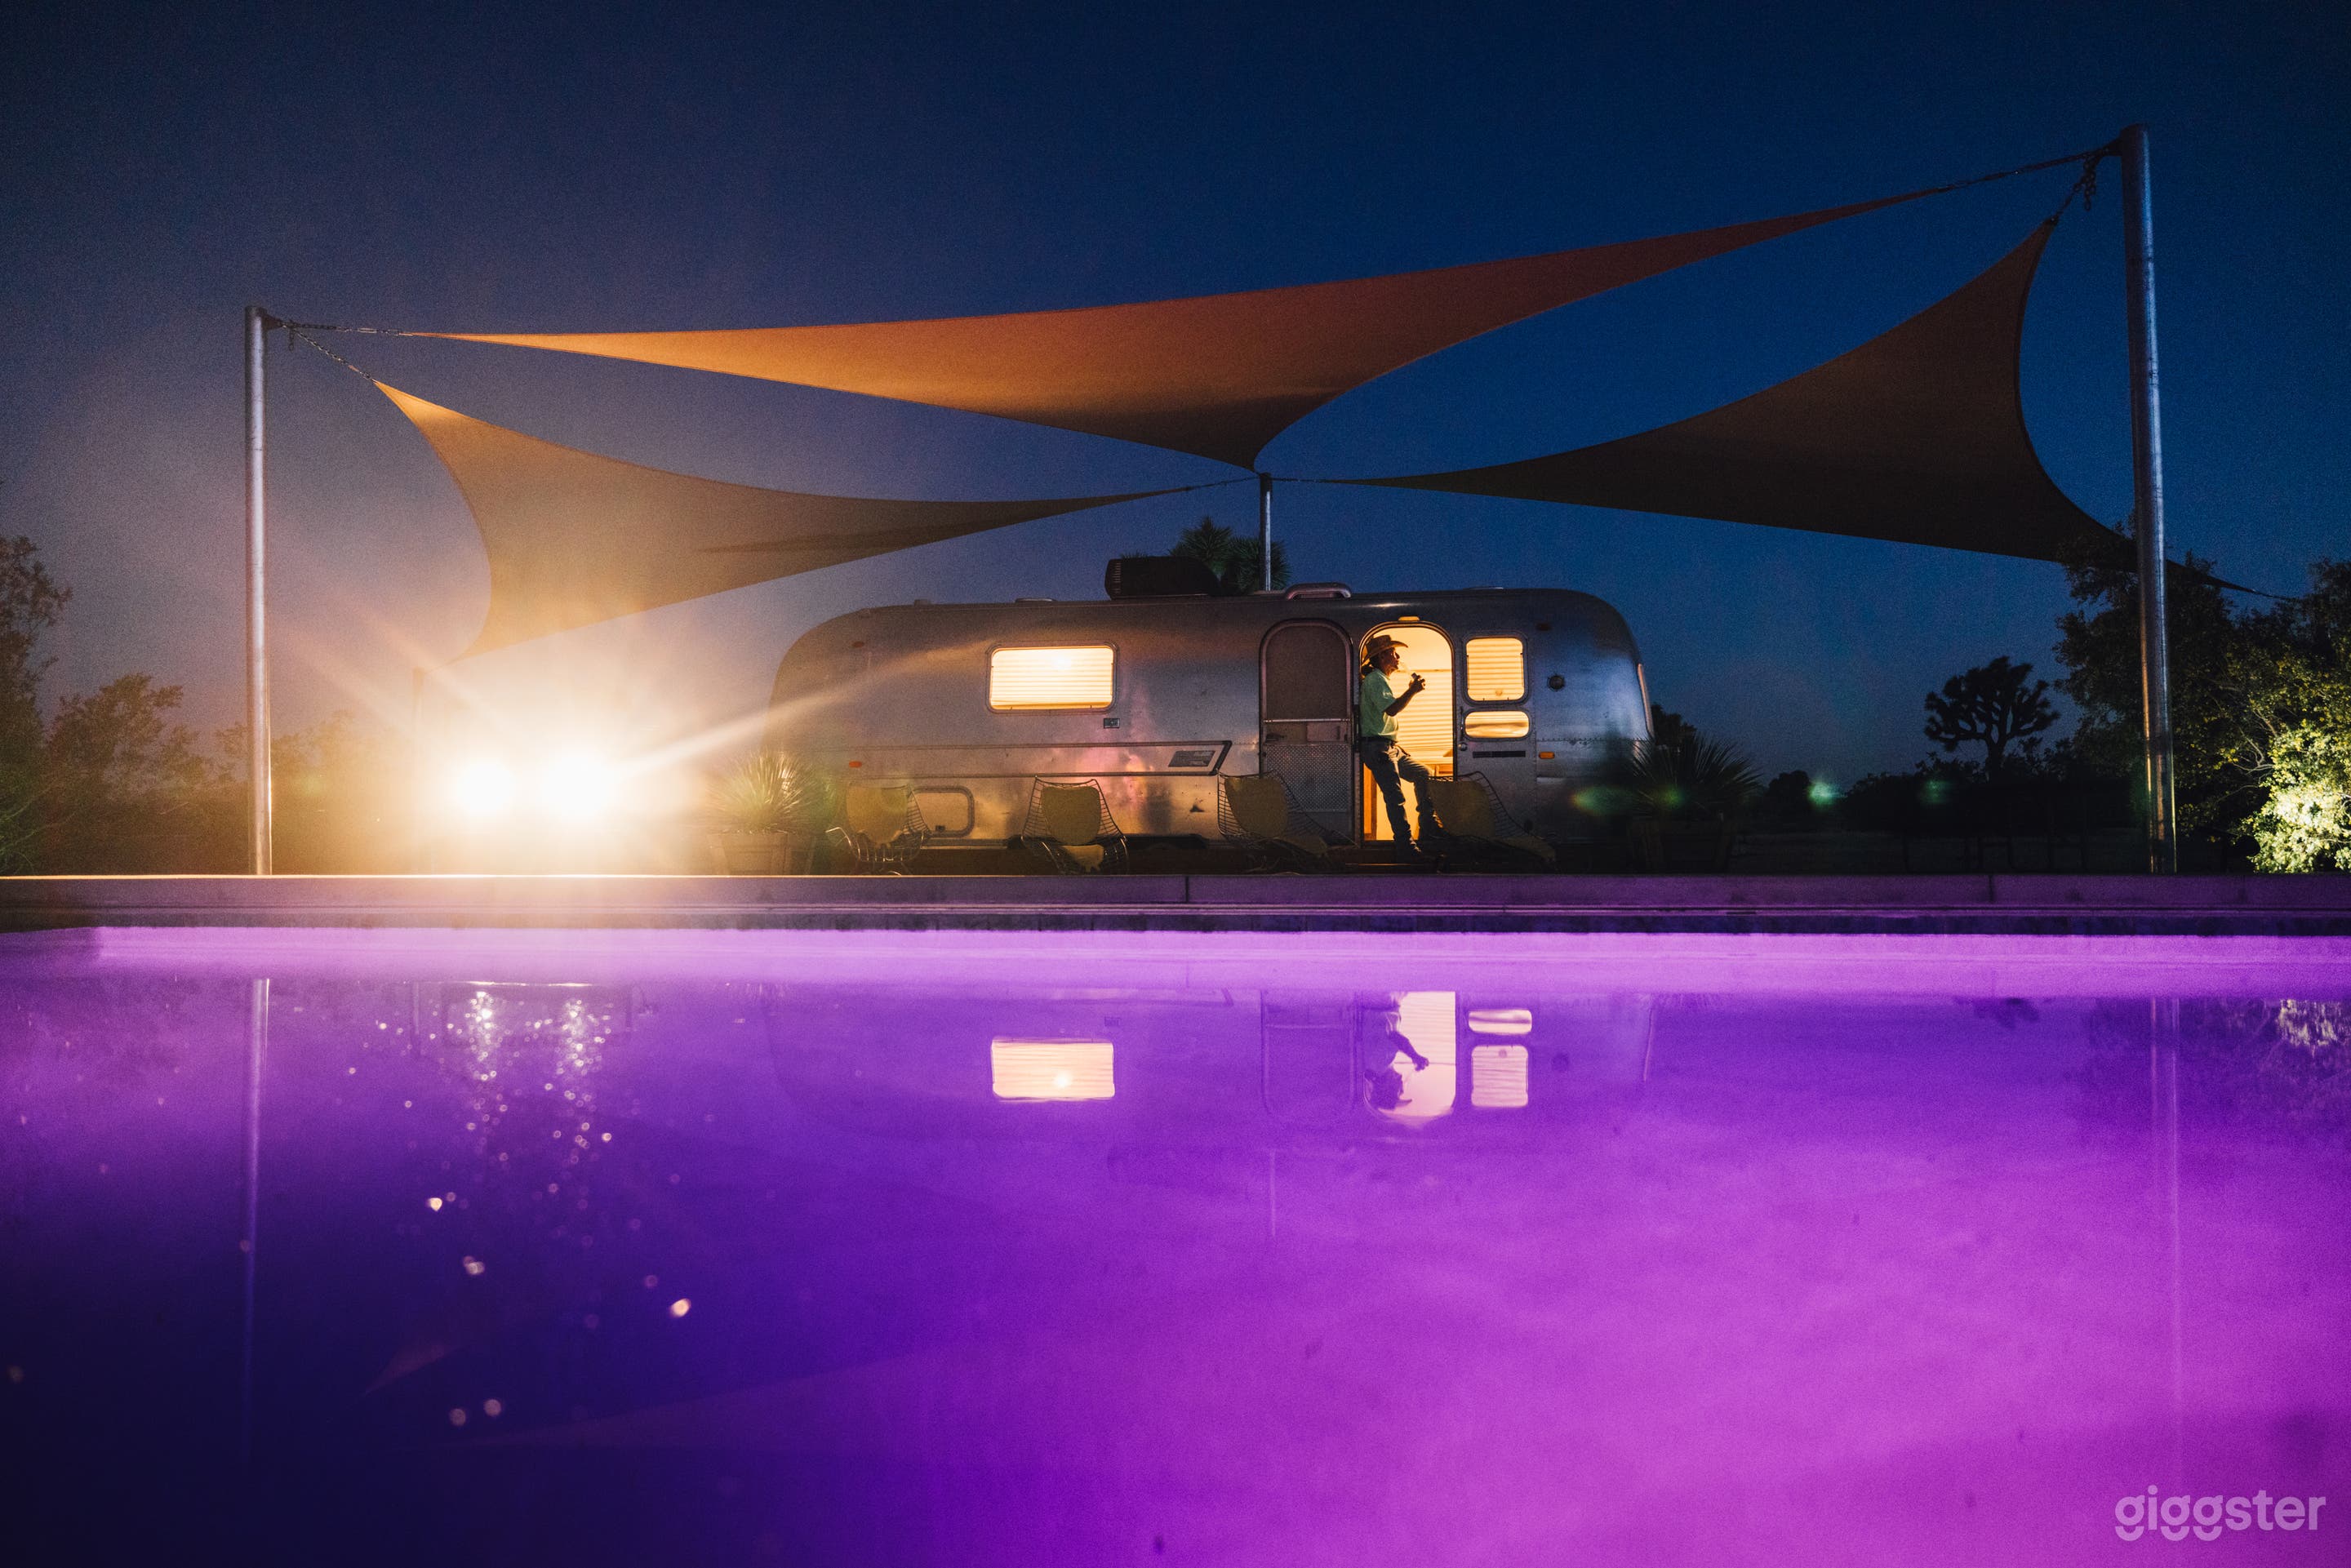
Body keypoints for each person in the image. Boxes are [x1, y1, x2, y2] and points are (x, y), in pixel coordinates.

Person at [1357, 633, 1437, 849]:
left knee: (1424, 773)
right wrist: (1412, 690)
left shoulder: (1381, 679)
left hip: (1388, 747)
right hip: (1378, 747)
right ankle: (1405, 844)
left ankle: (1428, 826)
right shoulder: (1375, 679)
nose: (1397, 656)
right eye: (1393, 652)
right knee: (1395, 795)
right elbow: (1391, 709)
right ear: (1382, 656)